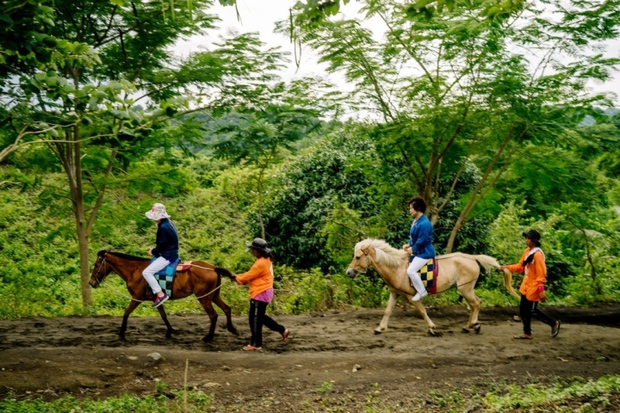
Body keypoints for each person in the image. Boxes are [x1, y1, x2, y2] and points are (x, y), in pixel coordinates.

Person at [500, 229, 561, 339]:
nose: (526, 240)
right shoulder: (527, 252)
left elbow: (541, 273)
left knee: (532, 311)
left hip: (534, 286)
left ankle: (553, 323)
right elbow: (520, 267)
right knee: (523, 310)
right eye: (526, 238)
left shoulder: (537, 255)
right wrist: (506, 267)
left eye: (528, 238)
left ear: (534, 241)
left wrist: (541, 290)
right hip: (526, 285)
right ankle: (527, 333)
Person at [232, 238, 288, 351]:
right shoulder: (266, 260)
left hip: (260, 293)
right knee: (260, 317)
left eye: (252, 249)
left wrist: (237, 278)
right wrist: (239, 277)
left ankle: (256, 345)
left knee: (255, 319)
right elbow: (251, 274)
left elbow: (249, 276)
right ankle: (282, 330)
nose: (251, 251)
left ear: (257, 251)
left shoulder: (260, 263)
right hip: (264, 292)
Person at [143, 203, 179, 308]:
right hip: (171, 252)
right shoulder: (168, 223)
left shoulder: (162, 228)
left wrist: (152, 251)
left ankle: (160, 294)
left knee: (146, 272)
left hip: (168, 256)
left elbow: (161, 247)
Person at [402, 197, 436, 301]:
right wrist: (409, 244)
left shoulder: (424, 224)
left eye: (411, 208)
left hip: (424, 253)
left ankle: (422, 291)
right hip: (419, 250)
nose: (410, 210)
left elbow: (422, 241)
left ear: (418, 208)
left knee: (410, 271)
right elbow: (415, 238)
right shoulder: (416, 221)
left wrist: (413, 249)